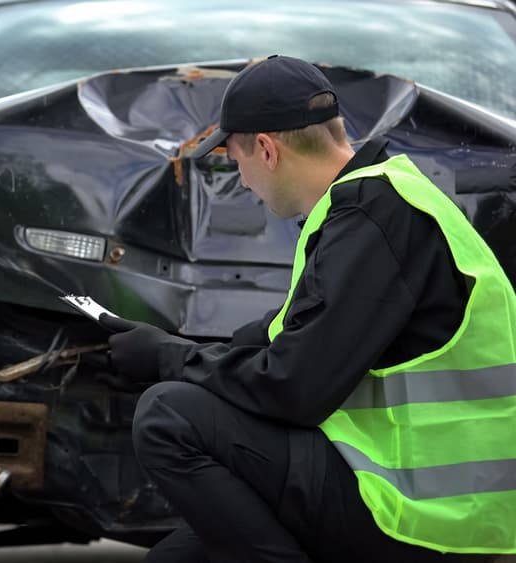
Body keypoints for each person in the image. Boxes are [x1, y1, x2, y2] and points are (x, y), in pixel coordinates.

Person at [100, 54, 516, 562]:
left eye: (236, 160)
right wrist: (178, 349)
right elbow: (283, 340)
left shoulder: (375, 217)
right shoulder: (374, 205)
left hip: (427, 516)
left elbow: (295, 386)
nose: (243, 181)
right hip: (413, 493)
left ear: (268, 151)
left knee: (167, 414)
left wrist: (168, 360)